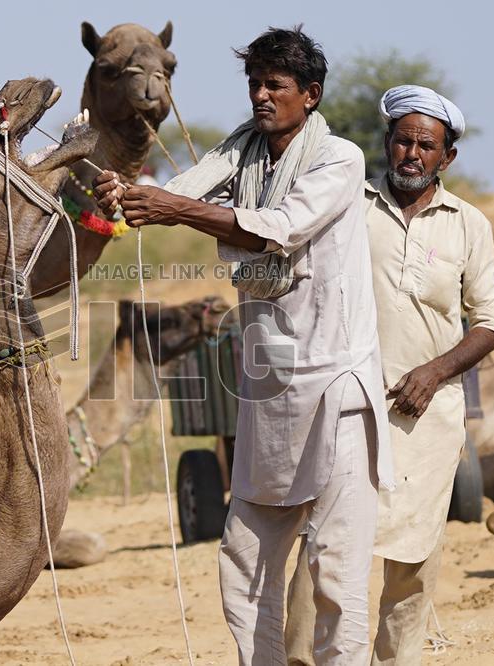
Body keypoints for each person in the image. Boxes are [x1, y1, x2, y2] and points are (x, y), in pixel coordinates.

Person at [93, 27, 393, 665]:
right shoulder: (242, 153)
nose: (260, 95)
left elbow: (275, 230)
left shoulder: (337, 159)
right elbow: (192, 185)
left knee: (337, 570)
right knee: (245, 558)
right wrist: (123, 190)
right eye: (254, 82)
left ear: (309, 95)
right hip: (270, 390)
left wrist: (170, 207)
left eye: (274, 85)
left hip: (336, 386)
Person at [282, 85, 494, 666]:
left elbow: (490, 324)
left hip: (426, 421)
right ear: (386, 143)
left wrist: (434, 373)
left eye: (425, 145)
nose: (411, 153)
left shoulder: (468, 225)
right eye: (402, 140)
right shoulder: (349, 202)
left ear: (446, 157)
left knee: (414, 557)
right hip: (347, 406)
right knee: (324, 546)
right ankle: (303, 659)